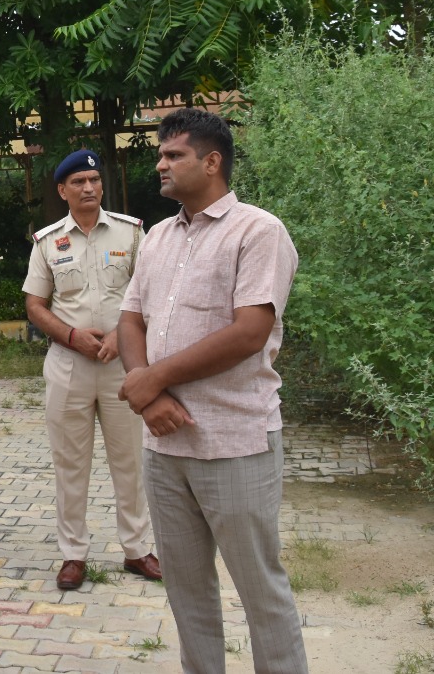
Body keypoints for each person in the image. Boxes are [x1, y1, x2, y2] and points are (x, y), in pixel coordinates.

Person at [117, 108, 309, 674]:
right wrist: (148, 395)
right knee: (186, 592)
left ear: (212, 160)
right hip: (164, 445)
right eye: (161, 155)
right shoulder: (156, 237)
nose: (161, 165)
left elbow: (249, 332)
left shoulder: (258, 231)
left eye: (173, 154)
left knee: (261, 593)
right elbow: (131, 320)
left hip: (234, 440)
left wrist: (157, 376)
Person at [23, 149, 160, 591]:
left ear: (103, 186)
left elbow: (151, 295)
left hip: (124, 364)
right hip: (69, 364)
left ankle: (138, 550)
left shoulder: (132, 232)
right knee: (70, 464)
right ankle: (73, 555)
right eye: (78, 182)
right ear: (62, 191)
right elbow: (34, 305)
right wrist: (71, 336)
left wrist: (121, 335)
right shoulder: (47, 242)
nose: (88, 188)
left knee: (131, 460)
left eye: (94, 180)